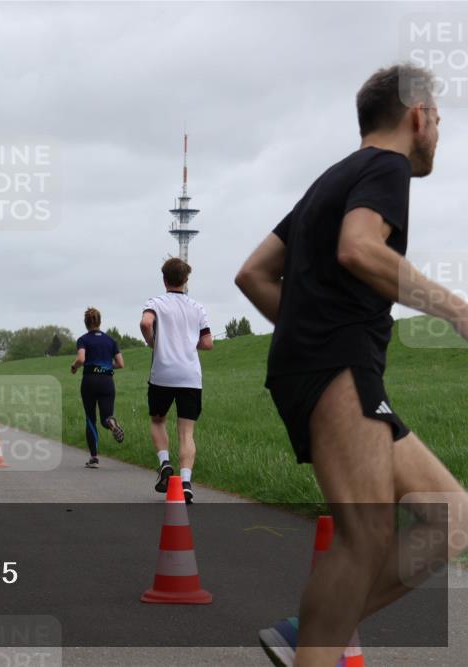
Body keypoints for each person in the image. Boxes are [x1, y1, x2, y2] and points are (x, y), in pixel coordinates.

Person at [235, 64, 468, 666]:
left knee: (451, 516)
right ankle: (316, 642)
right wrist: (457, 310)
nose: (438, 132)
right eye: (438, 118)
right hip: (338, 365)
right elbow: (359, 248)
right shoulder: (387, 168)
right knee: (367, 537)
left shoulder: (331, 179)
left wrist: (305, 329)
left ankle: (310, 632)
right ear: (417, 115)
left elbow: (253, 273)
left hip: (329, 365)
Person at [139, 258, 212, 503]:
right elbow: (207, 343)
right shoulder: (197, 308)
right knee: (186, 432)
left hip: (163, 373)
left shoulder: (155, 303)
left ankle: (165, 463)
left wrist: (152, 341)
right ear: (186, 280)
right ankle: (186, 482)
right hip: (190, 376)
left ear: (164, 279)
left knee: (158, 420)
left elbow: (145, 322)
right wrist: (189, 341)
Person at [70, 308, 124, 469]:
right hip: (107, 381)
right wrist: (106, 365)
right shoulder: (111, 341)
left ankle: (94, 458)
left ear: (86, 323)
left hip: (90, 381)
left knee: (90, 419)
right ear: (100, 321)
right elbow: (120, 364)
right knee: (106, 417)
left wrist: (74, 367)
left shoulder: (83, 340)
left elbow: (81, 358)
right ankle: (112, 423)